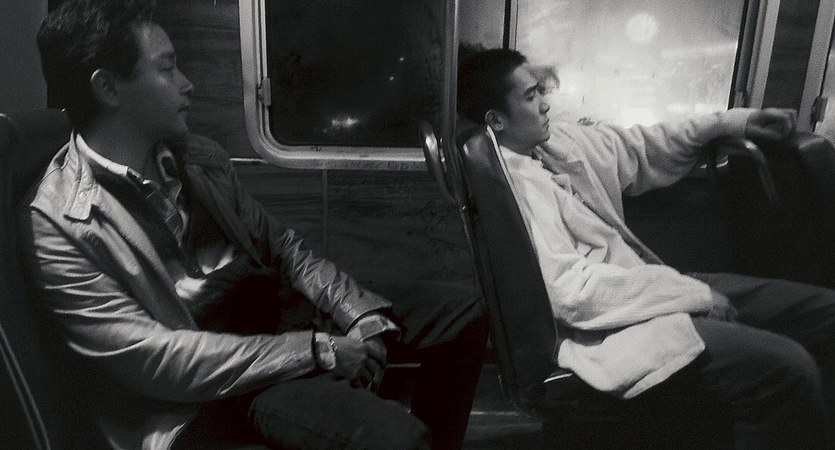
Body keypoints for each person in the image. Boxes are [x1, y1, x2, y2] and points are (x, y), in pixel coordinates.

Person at [21, 1, 488, 449]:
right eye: (167, 68)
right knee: (398, 438)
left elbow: (280, 246)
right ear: (109, 89)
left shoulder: (196, 157)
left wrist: (357, 311)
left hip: (271, 310)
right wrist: (318, 350)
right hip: (215, 383)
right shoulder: (59, 223)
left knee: (463, 313)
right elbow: (157, 360)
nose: (187, 84)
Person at [457, 48, 835, 449]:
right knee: (789, 367)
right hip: (617, 327)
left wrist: (731, 122)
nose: (545, 104)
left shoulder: (554, 144)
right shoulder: (514, 187)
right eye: (531, 97)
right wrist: (695, 296)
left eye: (541, 92)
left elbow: (640, 145)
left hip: (650, 287)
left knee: (828, 314)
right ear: (496, 121)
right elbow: (572, 293)